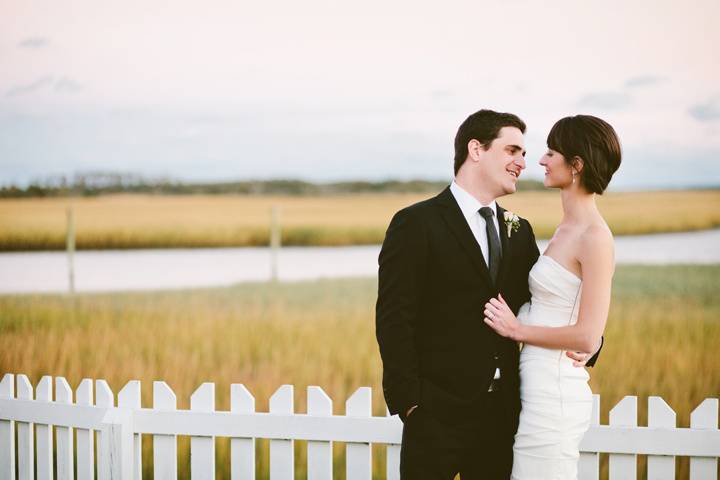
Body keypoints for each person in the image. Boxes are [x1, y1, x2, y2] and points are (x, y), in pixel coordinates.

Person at [375, 109, 601, 479]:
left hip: (503, 419)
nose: (522, 163)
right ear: (476, 149)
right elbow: (394, 318)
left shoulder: (519, 230)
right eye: (512, 151)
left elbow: (538, 303)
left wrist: (591, 340)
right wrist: (411, 404)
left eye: (525, 154)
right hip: (435, 417)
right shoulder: (415, 223)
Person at [483, 114, 621, 479]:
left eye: (550, 152)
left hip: (555, 394)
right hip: (536, 386)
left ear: (576, 165)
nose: (540, 161)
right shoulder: (565, 229)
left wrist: (517, 331)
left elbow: (588, 336)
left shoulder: (595, 237)